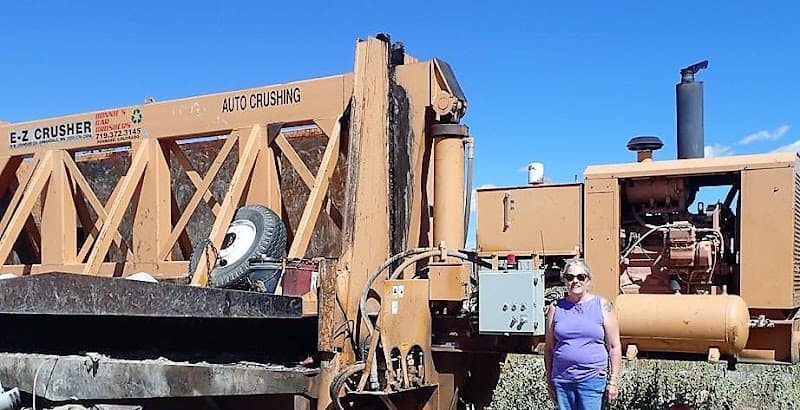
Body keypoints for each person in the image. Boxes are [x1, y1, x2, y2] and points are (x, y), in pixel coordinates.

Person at [544, 258, 622, 410]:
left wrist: (613, 381)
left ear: (588, 280)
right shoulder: (555, 308)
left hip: (592, 378)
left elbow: (614, 346)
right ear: (564, 280)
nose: (575, 281)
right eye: (570, 277)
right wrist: (549, 380)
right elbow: (549, 349)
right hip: (562, 380)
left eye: (580, 277)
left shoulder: (602, 306)